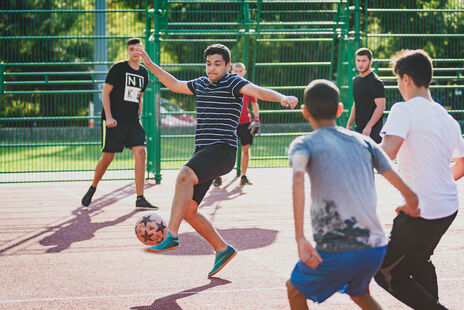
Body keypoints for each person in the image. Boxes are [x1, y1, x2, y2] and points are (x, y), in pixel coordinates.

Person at [135, 44, 298, 277]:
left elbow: (259, 91)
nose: (212, 68)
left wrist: (282, 97)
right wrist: (150, 65)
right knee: (189, 210)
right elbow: (174, 84)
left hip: (222, 150)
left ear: (227, 66)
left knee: (183, 176)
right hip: (203, 150)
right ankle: (223, 249)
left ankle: (170, 235)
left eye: (217, 64)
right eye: (209, 63)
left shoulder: (233, 83)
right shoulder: (201, 83)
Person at [286, 79, 419, 309]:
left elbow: (298, 178)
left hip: (338, 248)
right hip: (375, 248)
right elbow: (406, 189)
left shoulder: (303, 144)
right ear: (339, 110)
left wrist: (300, 237)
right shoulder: (366, 142)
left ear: (304, 112)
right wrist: (410, 203)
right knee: (359, 294)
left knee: (295, 289)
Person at [374, 49, 464, 309]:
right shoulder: (447, 119)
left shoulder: (404, 109)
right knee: (419, 260)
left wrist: (355, 151)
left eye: (398, 81)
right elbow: (462, 163)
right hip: (448, 208)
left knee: (386, 273)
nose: (399, 87)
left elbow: (386, 153)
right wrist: (432, 187)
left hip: (423, 211)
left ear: (407, 79)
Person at [81, 38, 157, 210]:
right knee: (108, 158)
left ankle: (140, 197)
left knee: (141, 152)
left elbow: (140, 96)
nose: (134, 52)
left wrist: (138, 115)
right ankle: (93, 187)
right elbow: (106, 93)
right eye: (131, 49)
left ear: (142, 51)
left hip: (132, 121)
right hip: (114, 120)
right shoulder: (118, 68)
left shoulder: (144, 73)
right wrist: (108, 117)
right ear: (127, 52)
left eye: (138, 49)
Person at [213, 62, 260, 187]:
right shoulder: (226, 85)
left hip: (245, 123)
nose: (238, 73)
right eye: (235, 71)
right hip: (229, 122)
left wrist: (256, 119)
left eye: (240, 71)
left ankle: (243, 176)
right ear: (231, 71)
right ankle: (218, 176)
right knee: (223, 150)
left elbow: (254, 104)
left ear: (244, 73)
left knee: (245, 150)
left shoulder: (249, 87)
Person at [346, 48, 385, 143]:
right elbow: (356, 103)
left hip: (373, 131)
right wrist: (349, 125)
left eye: (364, 61)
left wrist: (369, 127)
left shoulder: (376, 82)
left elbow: (381, 106)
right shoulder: (355, 80)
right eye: (358, 60)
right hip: (359, 129)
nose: (360, 64)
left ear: (370, 62)